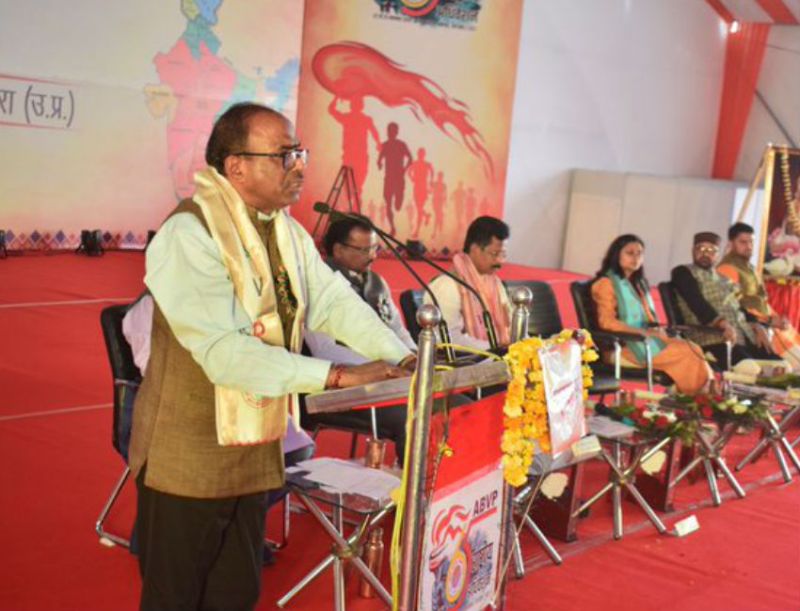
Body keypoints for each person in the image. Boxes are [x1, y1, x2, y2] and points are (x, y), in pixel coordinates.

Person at [128, 102, 414, 611]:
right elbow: (225, 354)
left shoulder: (284, 230)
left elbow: (332, 301)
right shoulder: (188, 233)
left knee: (235, 593)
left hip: (253, 448)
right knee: (176, 598)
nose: (298, 167)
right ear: (236, 166)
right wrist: (337, 375)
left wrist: (405, 357)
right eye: (283, 156)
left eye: (299, 153)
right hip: (189, 457)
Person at [303, 214, 417, 458]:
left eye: (375, 248)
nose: (373, 256)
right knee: (414, 416)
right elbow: (325, 350)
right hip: (340, 383)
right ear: (338, 250)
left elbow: (396, 328)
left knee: (438, 403)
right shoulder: (318, 284)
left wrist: (411, 356)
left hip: (388, 375)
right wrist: (382, 369)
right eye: (364, 250)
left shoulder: (376, 282)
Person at [591, 234, 711, 395]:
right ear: (616, 255)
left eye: (639, 253)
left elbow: (648, 320)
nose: (636, 258)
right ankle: (700, 397)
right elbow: (607, 322)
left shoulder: (637, 284)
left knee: (693, 348)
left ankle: (699, 395)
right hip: (624, 346)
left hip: (646, 341)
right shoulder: (606, 284)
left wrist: (658, 329)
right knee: (685, 352)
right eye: (630, 253)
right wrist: (642, 332)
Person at [670, 232, 775, 368]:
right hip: (713, 340)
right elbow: (697, 303)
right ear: (693, 250)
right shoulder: (682, 272)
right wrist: (722, 324)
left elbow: (738, 307)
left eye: (711, 250)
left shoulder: (724, 279)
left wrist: (757, 325)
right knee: (752, 370)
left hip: (743, 337)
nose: (705, 253)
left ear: (718, 254)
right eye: (701, 248)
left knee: (782, 367)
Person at [717, 222, 800, 368]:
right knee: (793, 366)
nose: (749, 246)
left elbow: (761, 301)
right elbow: (733, 307)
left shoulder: (750, 268)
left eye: (751, 242)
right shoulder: (727, 269)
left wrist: (777, 320)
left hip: (769, 326)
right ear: (731, 243)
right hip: (753, 328)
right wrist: (765, 322)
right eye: (743, 242)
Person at [425, 216, 512, 351]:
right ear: (474, 249)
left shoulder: (495, 283)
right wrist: (495, 349)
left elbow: (510, 324)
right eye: (495, 254)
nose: (499, 261)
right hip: (465, 361)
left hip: (496, 356)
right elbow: (447, 339)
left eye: (503, 254)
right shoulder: (448, 285)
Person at [377, 122, 412, 234]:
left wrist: (404, 169)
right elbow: (379, 158)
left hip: (399, 179)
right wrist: (379, 164)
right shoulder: (385, 145)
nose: (390, 133)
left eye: (392, 131)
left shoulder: (401, 145)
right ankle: (392, 227)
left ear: (396, 132)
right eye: (389, 131)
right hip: (388, 178)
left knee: (397, 206)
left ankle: (399, 198)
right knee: (388, 204)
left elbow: (410, 158)